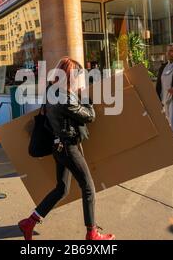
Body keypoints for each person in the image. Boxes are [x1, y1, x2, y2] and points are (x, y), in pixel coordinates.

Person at [18, 57, 115, 241]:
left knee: (61, 189)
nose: (81, 78)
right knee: (88, 187)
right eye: (79, 75)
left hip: (58, 146)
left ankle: (29, 222)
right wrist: (85, 96)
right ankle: (92, 233)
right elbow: (89, 116)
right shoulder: (66, 98)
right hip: (68, 148)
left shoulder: (51, 91)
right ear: (71, 75)